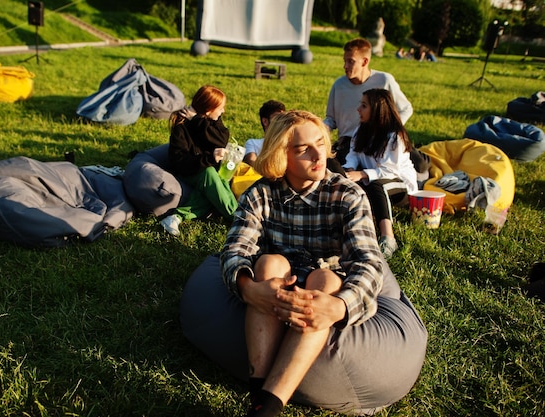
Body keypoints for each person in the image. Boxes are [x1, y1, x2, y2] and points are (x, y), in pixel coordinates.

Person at [180, 110, 427, 416]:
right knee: (269, 264)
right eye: (303, 149)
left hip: (329, 278)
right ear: (281, 155)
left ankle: (268, 406)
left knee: (323, 281)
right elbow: (235, 249)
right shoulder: (260, 194)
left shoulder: (348, 195)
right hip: (279, 278)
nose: (318, 154)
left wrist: (341, 307)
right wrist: (248, 288)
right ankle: (259, 394)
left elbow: (368, 261)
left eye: (320, 144)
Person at [343, 88, 418, 259]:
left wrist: (362, 174)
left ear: (377, 109)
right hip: (371, 178)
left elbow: (390, 170)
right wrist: (349, 169)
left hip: (400, 185)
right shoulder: (361, 129)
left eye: (363, 106)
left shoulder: (394, 136)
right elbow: (354, 153)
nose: (358, 109)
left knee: (377, 186)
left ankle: (388, 238)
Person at [159, 85, 238, 236]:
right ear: (208, 110)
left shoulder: (212, 120)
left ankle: (176, 216)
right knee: (210, 174)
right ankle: (239, 218)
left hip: (210, 170)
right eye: (221, 108)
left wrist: (197, 120)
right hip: (190, 170)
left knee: (217, 180)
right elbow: (179, 161)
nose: (223, 111)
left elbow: (222, 139)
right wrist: (209, 158)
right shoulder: (181, 127)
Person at [323, 38, 413, 165]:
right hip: (350, 142)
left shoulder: (384, 80)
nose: (345, 66)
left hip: (380, 139)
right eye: (345, 61)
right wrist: (320, 129)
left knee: (419, 163)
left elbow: (406, 109)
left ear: (365, 61)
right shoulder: (339, 85)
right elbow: (331, 119)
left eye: (350, 61)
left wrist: (389, 131)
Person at [243, 100, 286, 167]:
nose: (281, 121)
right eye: (277, 118)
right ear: (265, 121)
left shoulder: (288, 143)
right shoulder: (252, 143)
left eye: (283, 118)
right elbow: (252, 163)